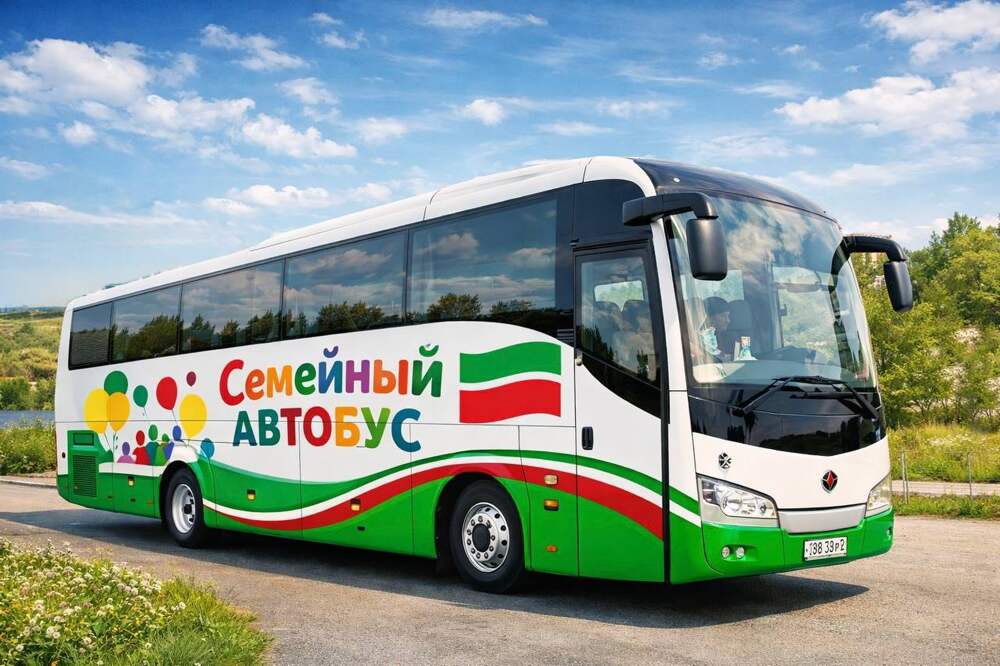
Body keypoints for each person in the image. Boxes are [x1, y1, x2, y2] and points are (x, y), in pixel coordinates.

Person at [698, 296, 731, 361]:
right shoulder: (700, 339)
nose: (728, 320)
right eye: (723, 316)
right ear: (710, 317)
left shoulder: (728, 337)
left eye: (728, 316)